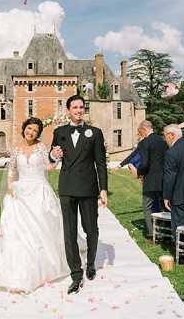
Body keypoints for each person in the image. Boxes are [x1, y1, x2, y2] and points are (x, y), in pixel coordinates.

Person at [0, 117, 68, 293]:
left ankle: (44, 267)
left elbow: (48, 167)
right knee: (19, 233)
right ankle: (20, 271)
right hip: (21, 192)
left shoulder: (41, 147)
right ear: (24, 128)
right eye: (29, 128)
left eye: (35, 130)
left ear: (38, 133)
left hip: (39, 191)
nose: (31, 132)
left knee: (41, 229)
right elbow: (12, 170)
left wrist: (56, 158)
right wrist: (11, 186)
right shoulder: (17, 149)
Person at [50, 95, 107, 294]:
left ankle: (90, 262)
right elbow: (53, 156)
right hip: (66, 187)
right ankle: (76, 272)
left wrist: (103, 189)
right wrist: (53, 155)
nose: (78, 110)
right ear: (68, 110)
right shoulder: (59, 132)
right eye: (74, 107)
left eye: (81, 107)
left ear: (84, 110)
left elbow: (100, 163)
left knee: (91, 229)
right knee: (69, 233)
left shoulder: (95, 133)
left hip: (88, 187)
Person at [129, 120, 168, 243]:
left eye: (140, 132)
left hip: (150, 180)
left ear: (144, 129)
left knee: (147, 206)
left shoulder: (144, 142)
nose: (140, 134)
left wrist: (138, 172)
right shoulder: (163, 141)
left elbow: (144, 163)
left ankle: (152, 235)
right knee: (164, 206)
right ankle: (166, 233)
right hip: (164, 178)